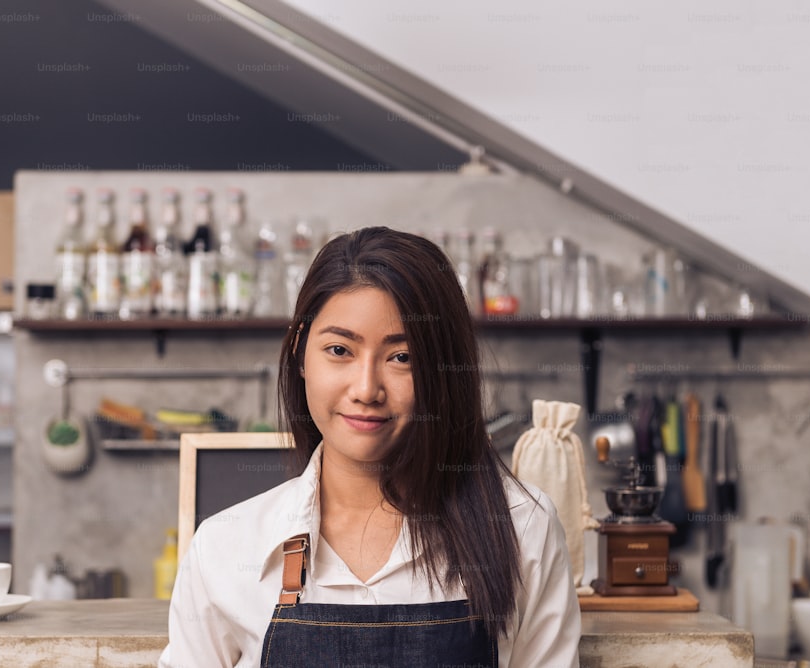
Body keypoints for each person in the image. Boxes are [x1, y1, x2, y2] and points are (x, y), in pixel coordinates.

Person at [159, 226, 580, 667]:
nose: (366, 389)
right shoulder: (227, 547)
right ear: (301, 351)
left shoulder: (521, 528)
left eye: (403, 357)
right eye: (340, 349)